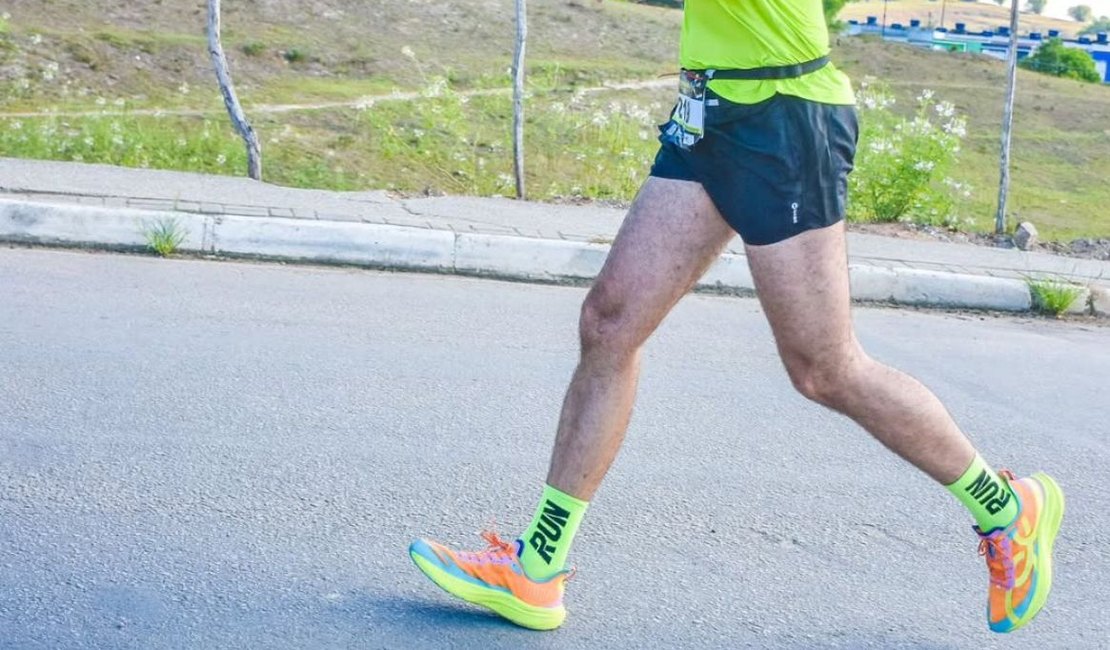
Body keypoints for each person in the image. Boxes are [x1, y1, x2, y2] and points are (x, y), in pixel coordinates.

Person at [408, 0, 1064, 634]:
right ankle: (536, 568)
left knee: (825, 369)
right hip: (710, 115)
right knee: (609, 325)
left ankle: (1006, 507)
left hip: (785, 119)